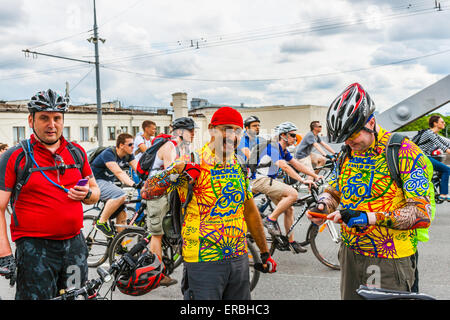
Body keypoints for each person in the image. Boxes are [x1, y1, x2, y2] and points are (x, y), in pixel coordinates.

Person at [307, 83, 434, 299]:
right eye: (343, 138)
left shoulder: (403, 152)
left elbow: (421, 213)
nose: (348, 142)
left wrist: (369, 217)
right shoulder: (347, 153)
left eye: (352, 135)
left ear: (371, 122)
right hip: (350, 253)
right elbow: (335, 189)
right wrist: (322, 204)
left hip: (389, 258)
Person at [143, 106, 277, 300]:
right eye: (226, 129)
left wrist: (264, 252)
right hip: (203, 261)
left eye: (237, 131)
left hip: (238, 257)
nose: (232, 135)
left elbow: (249, 211)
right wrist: (173, 171)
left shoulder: (237, 164)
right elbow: (148, 191)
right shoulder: (192, 161)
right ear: (212, 129)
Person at [0, 89, 100, 300]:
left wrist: (87, 193)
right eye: (44, 118)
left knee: (75, 297)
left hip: (75, 245)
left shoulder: (76, 152)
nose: (51, 124)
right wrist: (4, 254)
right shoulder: (15, 157)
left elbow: (95, 193)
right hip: (35, 250)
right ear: (31, 119)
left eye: (57, 118)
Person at [250, 121, 320, 253]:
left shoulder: (283, 150)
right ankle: (270, 220)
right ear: (283, 135)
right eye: (292, 135)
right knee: (293, 194)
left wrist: (314, 176)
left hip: (268, 181)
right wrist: (302, 180)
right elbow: (284, 166)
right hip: (260, 180)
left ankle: (291, 242)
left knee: (290, 209)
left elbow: (296, 164)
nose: (295, 138)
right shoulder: (273, 147)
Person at [146, 116, 197, 287]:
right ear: (181, 132)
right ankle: (156, 274)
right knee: (157, 233)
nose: (194, 133)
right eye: (191, 131)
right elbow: (172, 174)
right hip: (157, 193)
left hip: (170, 193)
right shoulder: (169, 147)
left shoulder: (184, 148)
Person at [90, 133, 138, 237]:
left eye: (133, 144)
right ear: (121, 145)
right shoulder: (109, 153)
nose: (133, 147)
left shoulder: (129, 155)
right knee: (120, 195)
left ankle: (119, 245)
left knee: (122, 213)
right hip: (95, 181)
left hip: (108, 182)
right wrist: (134, 184)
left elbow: (139, 169)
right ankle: (101, 222)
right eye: (130, 144)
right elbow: (119, 173)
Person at [414, 115, 450, 201]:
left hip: (425, 157)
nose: (444, 123)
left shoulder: (434, 134)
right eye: (442, 122)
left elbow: (446, 143)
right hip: (421, 158)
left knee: (441, 170)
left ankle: (432, 188)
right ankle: (443, 194)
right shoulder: (429, 133)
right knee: (446, 170)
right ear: (435, 123)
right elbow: (441, 146)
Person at [131, 120, 157, 212]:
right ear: (146, 129)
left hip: (146, 169)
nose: (155, 131)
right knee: (141, 192)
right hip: (137, 168)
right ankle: (137, 219)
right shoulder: (139, 138)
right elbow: (146, 151)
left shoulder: (151, 140)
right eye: (153, 129)